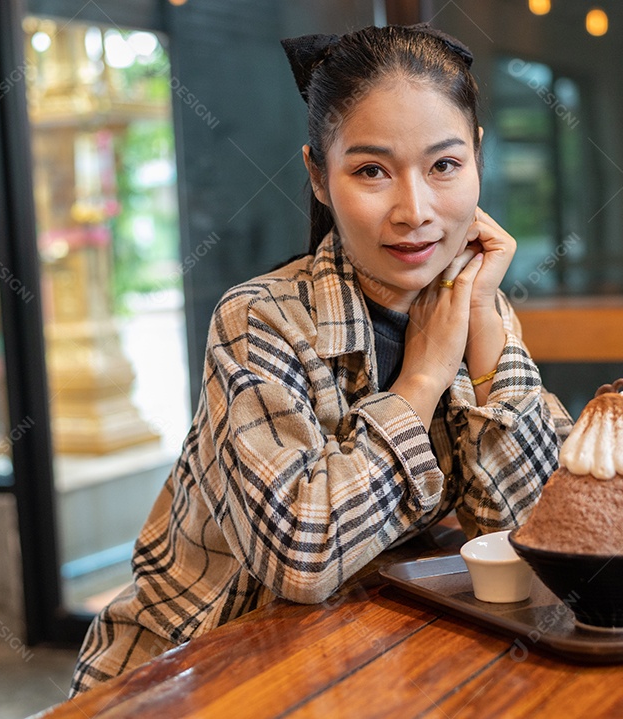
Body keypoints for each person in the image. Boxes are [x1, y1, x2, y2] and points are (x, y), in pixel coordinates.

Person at [69, 23, 571, 695]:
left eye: (444, 165)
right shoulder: (261, 320)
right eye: (371, 171)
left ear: (477, 156)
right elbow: (302, 556)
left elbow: (540, 536)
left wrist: (482, 319)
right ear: (319, 175)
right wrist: (421, 380)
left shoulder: (476, 304)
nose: (414, 210)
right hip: (186, 679)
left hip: (356, 669)